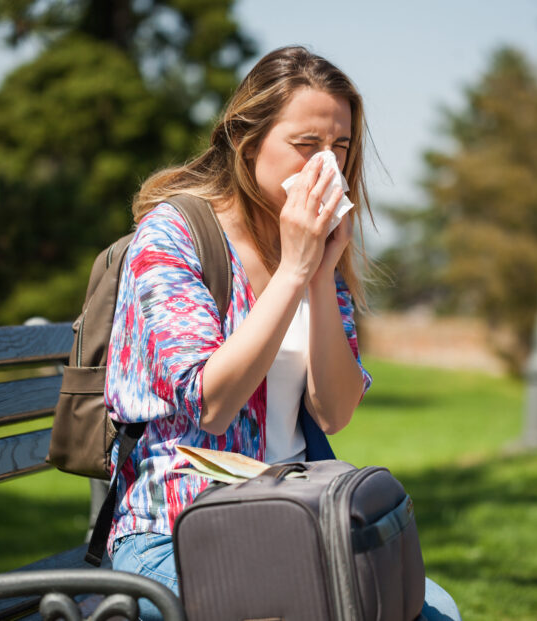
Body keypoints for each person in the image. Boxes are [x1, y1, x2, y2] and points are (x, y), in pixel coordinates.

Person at [104, 45, 461, 621]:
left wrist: (319, 275)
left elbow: (335, 412)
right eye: (306, 146)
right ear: (248, 142)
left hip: (294, 514)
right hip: (175, 532)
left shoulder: (309, 247)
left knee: (434, 608)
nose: (328, 166)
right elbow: (213, 404)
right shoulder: (173, 237)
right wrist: (293, 270)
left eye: (339, 148)